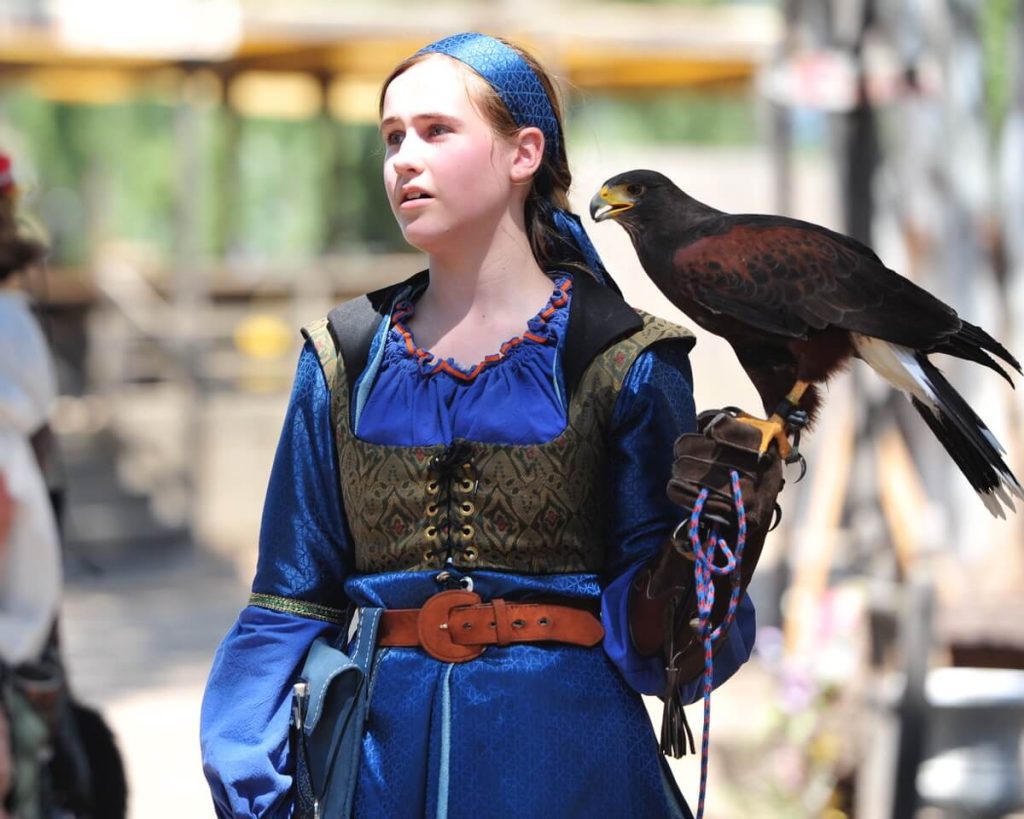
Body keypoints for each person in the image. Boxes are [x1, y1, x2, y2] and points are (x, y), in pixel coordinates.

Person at [200, 32, 783, 818]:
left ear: (523, 154)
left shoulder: (627, 357)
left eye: (437, 130)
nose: (404, 158)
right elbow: (289, 600)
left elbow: (660, 643)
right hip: (378, 770)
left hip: (575, 769)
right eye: (392, 136)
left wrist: (711, 555)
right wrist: (253, 781)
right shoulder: (342, 356)